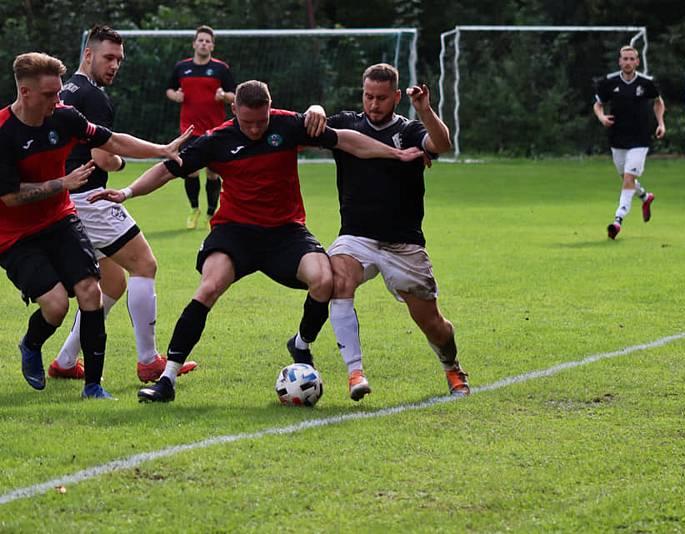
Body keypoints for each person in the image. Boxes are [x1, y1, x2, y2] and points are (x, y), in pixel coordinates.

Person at [88, 80, 424, 403]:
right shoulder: (216, 140)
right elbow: (167, 169)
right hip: (235, 232)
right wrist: (128, 192)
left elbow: (348, 141)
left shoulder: (287, 125)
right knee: (209, 287)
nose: (254, 129)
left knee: (324, 280)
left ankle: (302, 344)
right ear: (233, 109)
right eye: (247, 122)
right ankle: (167, 379)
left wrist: (394, 155)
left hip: (286, 231)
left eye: (261, 121)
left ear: (270, 108)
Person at [0, 52, 191, 399]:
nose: (57, 100)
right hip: (15, 235)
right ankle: (31, 343)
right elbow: (10, 197)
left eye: (59, 92)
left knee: (91, 291)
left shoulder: (64, 117)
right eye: (49, 95)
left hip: (60, 219)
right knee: (56, 305)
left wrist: (161, 149)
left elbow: (112, 141)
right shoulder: (3, 132)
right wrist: (63, 183)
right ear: (25, 93)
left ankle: (93, 386)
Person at [311, 63, 470, 401]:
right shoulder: (347, 124)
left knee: (433, 323)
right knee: (338, 279)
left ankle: (452, 367)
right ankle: (355, 372)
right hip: (356, 238)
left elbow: (441, 143)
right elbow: (308, 130)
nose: (374, 104)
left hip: (404, 243)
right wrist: (316, 109)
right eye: (369, 96)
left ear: (396, 97)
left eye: (382, 98)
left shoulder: (411, 131)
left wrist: (425, 110)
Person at [49, 25, 198, 383]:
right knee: (145, 264)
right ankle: (149, 361)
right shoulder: (94, 96)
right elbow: (104, 154)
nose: (115, 65)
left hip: (65, 200)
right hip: (90, 199)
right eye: (108, 57)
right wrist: (130, 159)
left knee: (112, 283)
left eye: (119, 59)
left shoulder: (66, 90)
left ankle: (66, 361)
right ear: (88, 54)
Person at [593, 45, 665, 240]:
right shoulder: (609, 82)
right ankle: (645, 196)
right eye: (624, 59)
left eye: (631, 59)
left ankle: (617, 221)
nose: (627, 62)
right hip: (617, 138)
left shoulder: (646, 83)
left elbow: (658, 102)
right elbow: (598, 104)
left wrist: (661, 123)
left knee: (627, 179)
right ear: (619, 61)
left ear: (637, 61)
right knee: (627, 179)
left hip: (640, 138)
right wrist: (601, 117)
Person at [167, 25, 235, 230]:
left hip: (215, 130)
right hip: (189, 130)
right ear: (194, 43)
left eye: (208, 41)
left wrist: (224, 96)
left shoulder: (221, 69)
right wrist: (175, 96)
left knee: (213, 174)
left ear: (212, 46)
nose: (204, 43)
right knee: (191, 172)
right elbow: (169, 89)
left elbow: (234, 95)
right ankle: (194, 209)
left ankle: (210, 213)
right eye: (201, 40)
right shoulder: (182, 67)